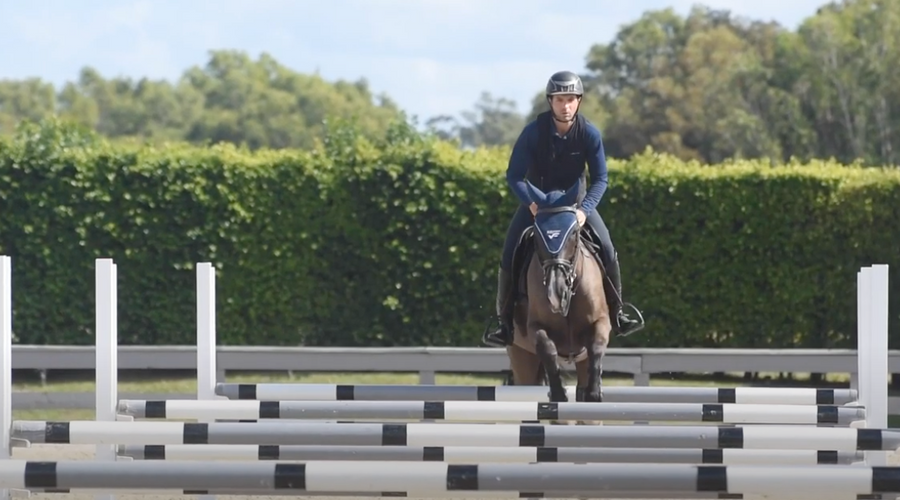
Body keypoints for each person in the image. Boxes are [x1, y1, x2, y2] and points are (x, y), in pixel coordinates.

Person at [482, 70, 643, 348]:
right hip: (537, 205)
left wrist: (585, 210)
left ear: (579, 101)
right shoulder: (533, 132)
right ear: (550, 101)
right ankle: (504, 323)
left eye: (570, 99)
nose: (565, 106)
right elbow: (514, 175)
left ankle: (618, 314)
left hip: (576, 206)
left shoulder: (589, 133)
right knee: (510, 251)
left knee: (607, 246)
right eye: (559, 99)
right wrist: (531, 204)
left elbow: (601, 179)